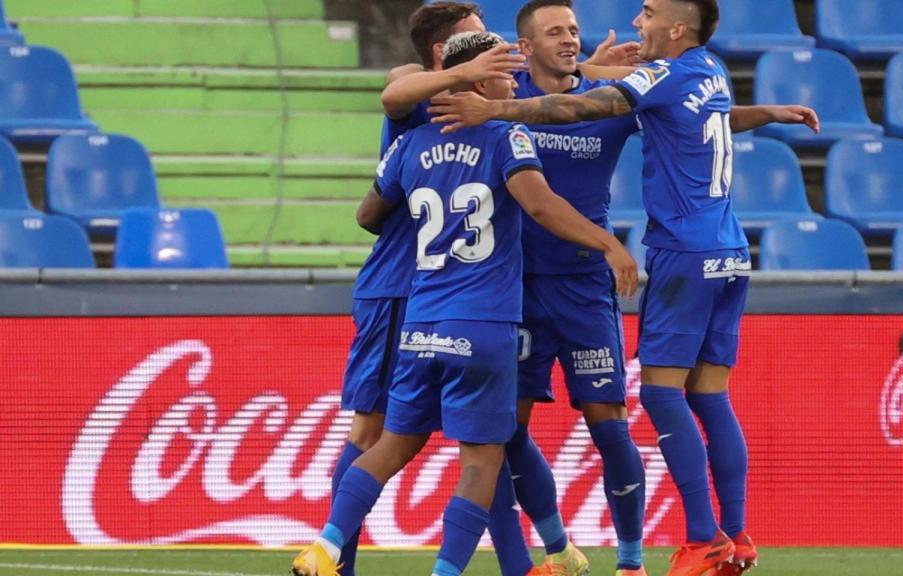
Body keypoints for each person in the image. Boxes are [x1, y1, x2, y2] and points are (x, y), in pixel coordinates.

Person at [427, 1, 820, 575]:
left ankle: (668, 551)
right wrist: (770, 112)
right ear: (527, 44)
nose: (637, 22)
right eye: (555, 31)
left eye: (648, 12)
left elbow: (584, 104)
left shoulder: (589, 91)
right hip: (542, 281)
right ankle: (721, 536)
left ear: (677, 27)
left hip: (627, 269)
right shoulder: (705, 69)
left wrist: (496, 110)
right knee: (699, 398)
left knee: (644, 404)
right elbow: (699, 113)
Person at [292, 31, 639, 576]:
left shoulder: (408, 145)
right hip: (483, 324)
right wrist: (609, 243)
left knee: (389, 447)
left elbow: (367, 214)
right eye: (504, 71)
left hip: (420, 322)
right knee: (481, 461)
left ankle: (326, 546)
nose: (512, 83)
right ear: (477, 80)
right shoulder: (506, 136)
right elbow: (543, 207)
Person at [333, 3, 531, 576]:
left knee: (494, 440)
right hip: (398, 286)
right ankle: (333, 559)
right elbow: (396, 88)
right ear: (446, 51)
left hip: (447, 291)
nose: (494, 46)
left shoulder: (488, 109)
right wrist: (461, 75)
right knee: (373, 430)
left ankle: (518, 564)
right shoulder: (419, 94)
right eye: (479, 38)